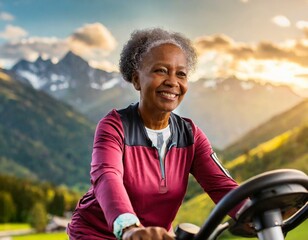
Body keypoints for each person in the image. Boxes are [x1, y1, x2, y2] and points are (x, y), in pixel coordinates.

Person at [67, 27, 240, 240]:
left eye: (181, 74)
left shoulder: (190, 135)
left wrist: (252, 211)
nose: (172, 82)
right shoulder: (114, 126)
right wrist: (129, 228)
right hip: (97, 234)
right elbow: (107, 177)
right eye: (161, 70)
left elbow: (222, 186)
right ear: (137, 80)